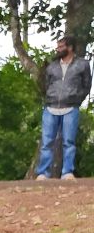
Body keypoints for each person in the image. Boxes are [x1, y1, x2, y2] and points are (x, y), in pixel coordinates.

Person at [36, 36, 91, 180]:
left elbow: (86, 85)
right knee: (47, 142)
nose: (58, 49)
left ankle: (67, 172)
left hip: (71, 107)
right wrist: (50, 97)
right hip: (51, 107)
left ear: (70, 48)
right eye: (58, 47)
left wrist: (77, 99)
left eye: (61, 47)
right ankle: (43, 173)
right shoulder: (52, 66)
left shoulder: (82, 65)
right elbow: (45, 85)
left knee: (69, 142)